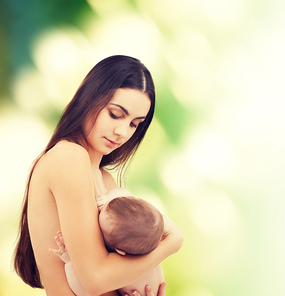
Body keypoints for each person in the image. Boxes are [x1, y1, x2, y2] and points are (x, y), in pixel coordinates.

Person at [13, 55, 183, 296]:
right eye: (115, 114)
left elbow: (112, 275)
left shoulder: (106, 181)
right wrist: (171, 242)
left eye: (134, 124)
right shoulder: (68, 157)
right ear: (89, 99)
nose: (122, 132)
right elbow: (95, 279)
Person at [50, 187, 165, 296]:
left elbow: (86, 292)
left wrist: (69, 261)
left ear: (120, 251)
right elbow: (123, 192)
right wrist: (108, 200)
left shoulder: (120, 268)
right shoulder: (146, 239)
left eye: (100, 229)